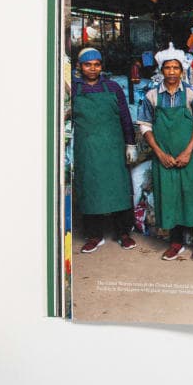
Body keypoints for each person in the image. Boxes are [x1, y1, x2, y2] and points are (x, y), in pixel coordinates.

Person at [138, 43, 193, 261]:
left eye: (175, 68)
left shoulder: (191, 95)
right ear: (161, 70)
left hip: (189, 156)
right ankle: (175, 241)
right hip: (163, 156)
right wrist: (158, 152)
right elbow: (145, 126)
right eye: (167, 68)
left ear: (182, 70)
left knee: (192, 196)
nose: (171, 72)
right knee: (169, 198)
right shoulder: (151, 96)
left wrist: (188, 151)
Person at [72, 47, 138, 253]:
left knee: (119, 189)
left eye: (96, 64)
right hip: (87, 150)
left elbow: (125, 118)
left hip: (113, 148)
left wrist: (130, 143)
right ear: (80, 67)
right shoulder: (74, 89)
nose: (92, 69)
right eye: (87, 65)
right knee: (90, 190)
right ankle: (94, 235)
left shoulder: (113, 87)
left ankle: (123, 233)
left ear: (102, 66)